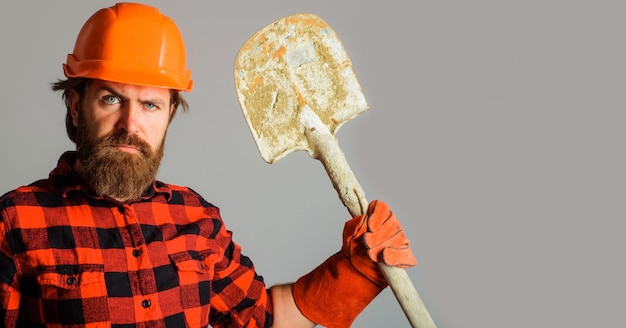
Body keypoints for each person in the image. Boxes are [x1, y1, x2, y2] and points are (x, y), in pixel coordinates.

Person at [0, 3, 416, 327]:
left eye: (150, 104)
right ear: (76, 106)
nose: (131, 123)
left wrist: (357, 266)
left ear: (169, 115)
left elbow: (263, 320)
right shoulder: (15, 222)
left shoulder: (195, 219)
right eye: (111, 98)